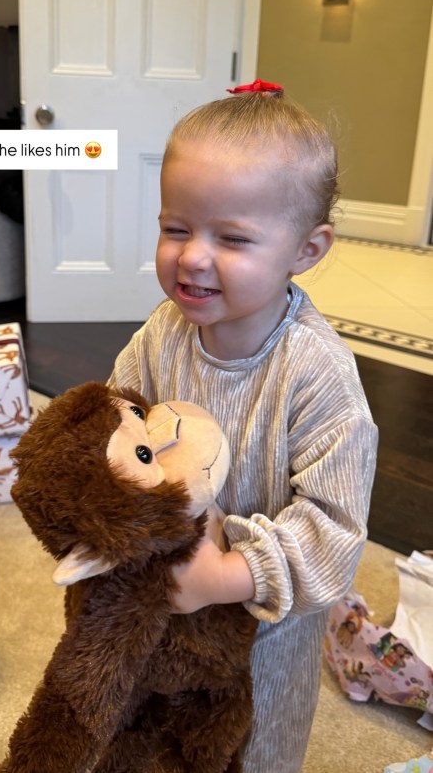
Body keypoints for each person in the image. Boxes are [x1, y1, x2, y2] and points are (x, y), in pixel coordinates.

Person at [107, 79, 378, 772]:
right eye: (176, 227)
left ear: (306, 249)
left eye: (232, 237)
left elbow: (334, 531)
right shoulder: (162, 332)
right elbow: (118, 409)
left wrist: (226, 572)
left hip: (264, 641)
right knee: (157, 737)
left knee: (250, 749)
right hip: (164, 612)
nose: (193, 256)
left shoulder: (316, 373)